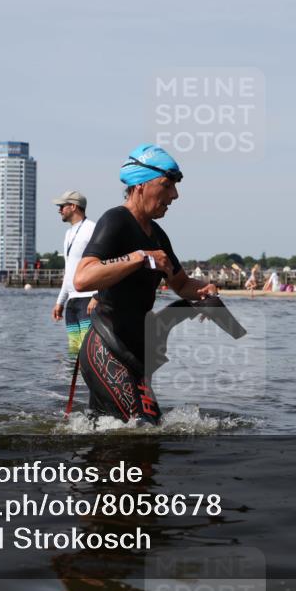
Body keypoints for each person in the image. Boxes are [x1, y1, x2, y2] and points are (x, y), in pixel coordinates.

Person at [73, 145, 217, 425]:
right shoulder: (116, 220)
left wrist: (204, 291)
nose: (174, 195)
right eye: (166, 186)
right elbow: (83, 277)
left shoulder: (158, 236)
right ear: (140, 185)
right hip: (106, 346)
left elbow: (182, 283)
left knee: (115, 437)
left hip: (135, 355)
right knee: (144, 434)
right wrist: (138, 258)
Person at [51, 191, 97, 353]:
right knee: (74, 349)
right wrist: (60, 301)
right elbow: (69, 270)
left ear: (73, 206)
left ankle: (87, 379)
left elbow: (103, 264)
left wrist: (98, 296)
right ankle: (71, 378)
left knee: (87, 350)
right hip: (72, 301)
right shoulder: (68, 233)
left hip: (88, 299)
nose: (59, 210)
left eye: (62, 206)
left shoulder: (92, 228)